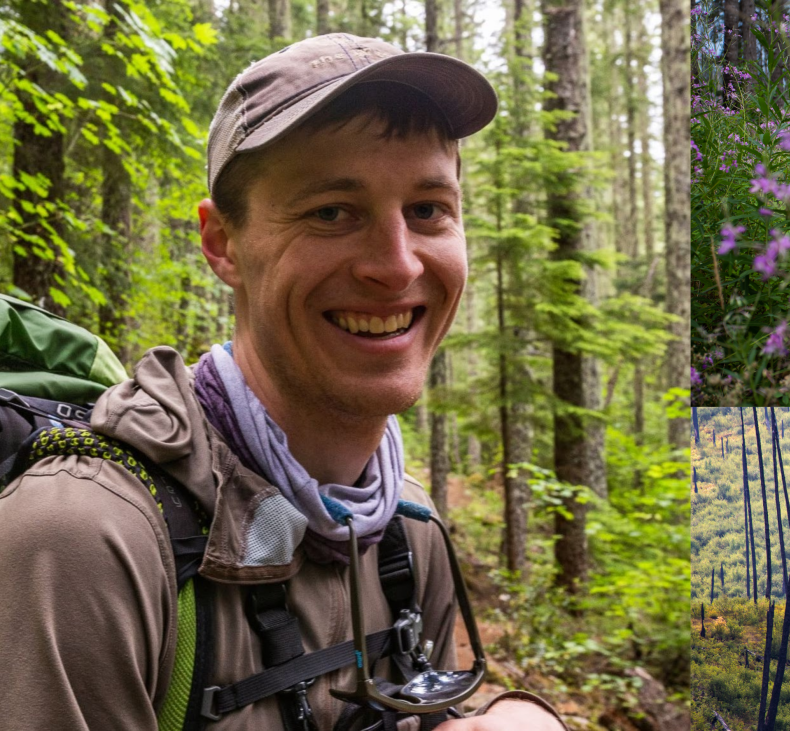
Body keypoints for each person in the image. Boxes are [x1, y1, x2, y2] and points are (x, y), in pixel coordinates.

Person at [0, 33, 566, 731]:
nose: (396, 265)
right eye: (332, 212)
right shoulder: (84, 544)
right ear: (222, 244)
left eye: (427, 210)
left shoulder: (407, 533)